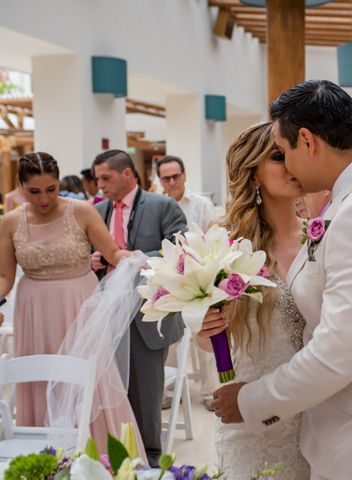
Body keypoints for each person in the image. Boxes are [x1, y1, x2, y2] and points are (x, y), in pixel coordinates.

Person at [211, 80, 352, 479]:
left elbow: (337, 354)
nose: (288, 168)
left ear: (308, 140)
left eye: (284, 152)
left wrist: (250, 401)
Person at [0, 152, 143, 454]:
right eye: (34, 191)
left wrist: (136, 261)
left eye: (51, 189)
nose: (44, 199)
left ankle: (101, 457)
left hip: (79, 306)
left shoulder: (81, 211)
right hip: (33, 311)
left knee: (88, 381)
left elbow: (112, 253)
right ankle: (47, 461)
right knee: (39, 378)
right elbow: (4, 277)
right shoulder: (10, 222)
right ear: (20, 187)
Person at [194, 122, 310, 479]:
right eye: (278, 157)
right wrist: (203, 326)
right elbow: (208, 338)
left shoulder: (319, 236)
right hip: (247, 411)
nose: (291, 165)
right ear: (253, 174)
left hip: (316, 409)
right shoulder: (223, 243)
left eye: (294, 154)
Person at [91, 150, 186, 466]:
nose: (100, 185)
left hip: (148, 314)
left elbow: (181, 253)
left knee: (145, 394)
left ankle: (151, 461)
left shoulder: (163, 206)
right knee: (109, 389)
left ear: (128, 174)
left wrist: (137, 259)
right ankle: (114, 457)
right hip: (107, 313)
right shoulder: (99, 210)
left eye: (106, 177)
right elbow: (93, 251)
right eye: (97, 179)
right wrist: (93, 261)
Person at [156, 154, 220, 411]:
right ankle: (169, 390)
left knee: (205, 331)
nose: (172, 182)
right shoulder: (157, 205)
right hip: (170, 280)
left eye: (176, 176)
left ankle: (211, 392)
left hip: (200, 278)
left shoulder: (202, 205)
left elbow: (212, 238)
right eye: (166, 178)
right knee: (170, 337)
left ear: (184, 176)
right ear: (160, 180)